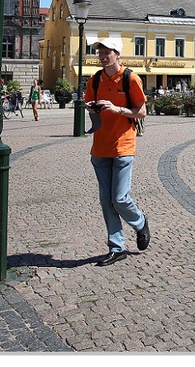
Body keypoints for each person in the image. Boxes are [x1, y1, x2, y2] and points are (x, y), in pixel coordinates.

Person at [84, 36, 150, 267]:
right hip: (100, 147)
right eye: (100, 53)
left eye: (107, 52)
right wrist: (91, 107)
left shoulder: (131, 79)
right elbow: (91, 107)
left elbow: (141, 112)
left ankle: (140, 222)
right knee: (106, 201)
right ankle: (117, 247)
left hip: (123, 146)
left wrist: (117, 108)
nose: (103, 57)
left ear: (117, 54)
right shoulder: (94, 80)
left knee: (119, 198)